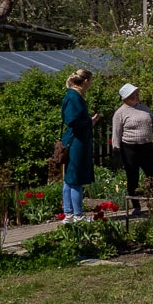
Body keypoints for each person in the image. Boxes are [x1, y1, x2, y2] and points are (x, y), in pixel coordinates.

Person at [111, 83, 153, 216]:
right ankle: (136, 206)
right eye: (132, 95)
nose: (136, 97)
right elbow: (116, 133)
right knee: (133, 177)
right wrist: (116, 151)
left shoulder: (144, 108)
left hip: (146, 146)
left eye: (136, 94)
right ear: (125, 98)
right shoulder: (120, 113)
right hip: (130, 148)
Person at [60, 68, 100, 223]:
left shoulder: (72, 95)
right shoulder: (74, 97)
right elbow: (72, 121)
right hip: (76, 141)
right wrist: (89, 122)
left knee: (69, 178)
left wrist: (90, 122)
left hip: (75, 139)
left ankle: (69, 214)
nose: (91, 84)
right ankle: (77, 215)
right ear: (85, 81)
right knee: (76, 178)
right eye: (90, 81)